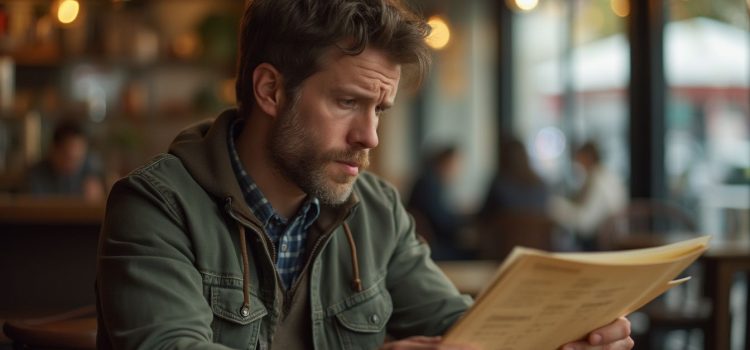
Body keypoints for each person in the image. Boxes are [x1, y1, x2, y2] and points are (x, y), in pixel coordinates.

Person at [95, 1, 634, 349]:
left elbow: (465, 331)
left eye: (380, 110)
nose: (370, 137)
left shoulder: (375, 209)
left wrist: (565, 338)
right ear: (270, 90)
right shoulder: (157, 206)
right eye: (347, 102)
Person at [549, 141, 628, 251]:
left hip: (603, 242)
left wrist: (556, 206)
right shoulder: (606, 176)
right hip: (609, 236)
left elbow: (585, 224)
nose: (577, 164)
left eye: (579, 159)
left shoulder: (598, 181)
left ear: (588, 158)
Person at [406, 146, 471, 260]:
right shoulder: (429, 183)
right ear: (446, 162)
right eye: (457, 164)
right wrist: (465, 225)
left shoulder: (430, 180)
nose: (459, 170)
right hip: (433, 247)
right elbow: (440, 221)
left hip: (430, 243)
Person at [25, 119, 105, 201]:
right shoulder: (35, 177)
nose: (75, 163)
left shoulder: (91, 173)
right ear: (54, 150)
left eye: (79, 157)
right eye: (69, 157)